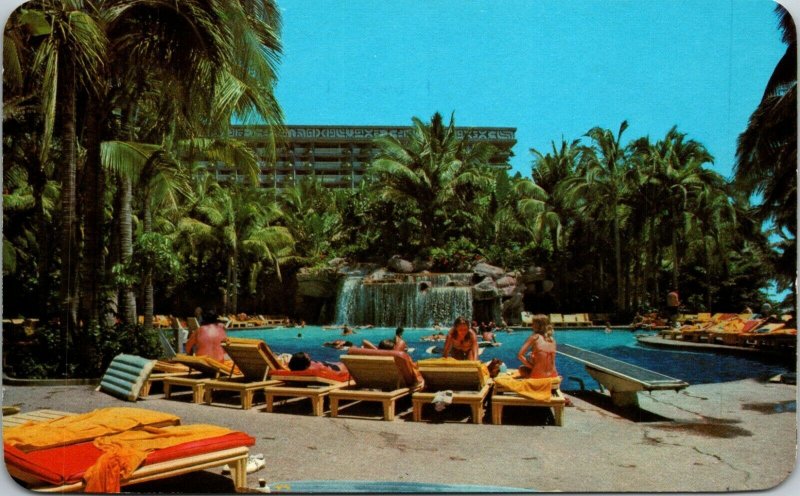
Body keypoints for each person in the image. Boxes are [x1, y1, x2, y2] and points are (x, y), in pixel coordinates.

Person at [516, 314, 558, 379]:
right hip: (553, 375)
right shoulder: (552, 340)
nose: (531, 326)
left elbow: (520, 355)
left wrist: (533, 367)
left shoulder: (535, 337)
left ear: (537, 326)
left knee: (522, 368)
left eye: (533, 324)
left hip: (539, 375)